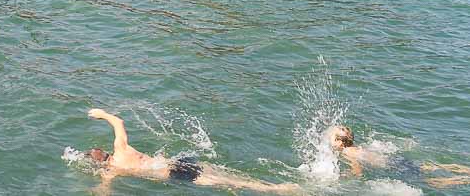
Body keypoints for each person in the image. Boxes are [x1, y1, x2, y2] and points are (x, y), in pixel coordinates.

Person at [77, 109, 301, 192]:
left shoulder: (113, 170)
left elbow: (104, 191)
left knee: (232, 182)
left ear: (100, 163)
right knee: (222, 174)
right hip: (178, 162)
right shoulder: (122, 149)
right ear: (104, 151)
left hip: (175, 175)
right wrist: (102, 114)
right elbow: (118, 122)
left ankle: (278, 189)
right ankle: (271, 186)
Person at [326, 125, 470, 188]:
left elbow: (358, 172)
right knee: (427, 167)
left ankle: (464, 180)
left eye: (332, 138)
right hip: (396, 160)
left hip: (394, 166)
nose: (330, 140)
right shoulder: (357, 147)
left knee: (432, 182)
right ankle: (465, 170)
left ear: (339, 142)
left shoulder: (348, 153)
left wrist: (345, 176)